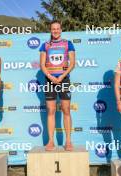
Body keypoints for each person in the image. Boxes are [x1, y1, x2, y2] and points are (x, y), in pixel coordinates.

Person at [39, 20, 76, 151]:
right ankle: (50, 141)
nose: (55, 31)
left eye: (57, 28)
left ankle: (68, 141)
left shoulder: (68, 43)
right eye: (53, 29)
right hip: (49, 81)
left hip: (64, 79)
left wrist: (61, 76)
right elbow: (42, 65)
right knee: (51, 111)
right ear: (50, 30)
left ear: (61, 30)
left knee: (66, 110)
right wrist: (51, 77)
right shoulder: (45, 45)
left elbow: (72, 63)